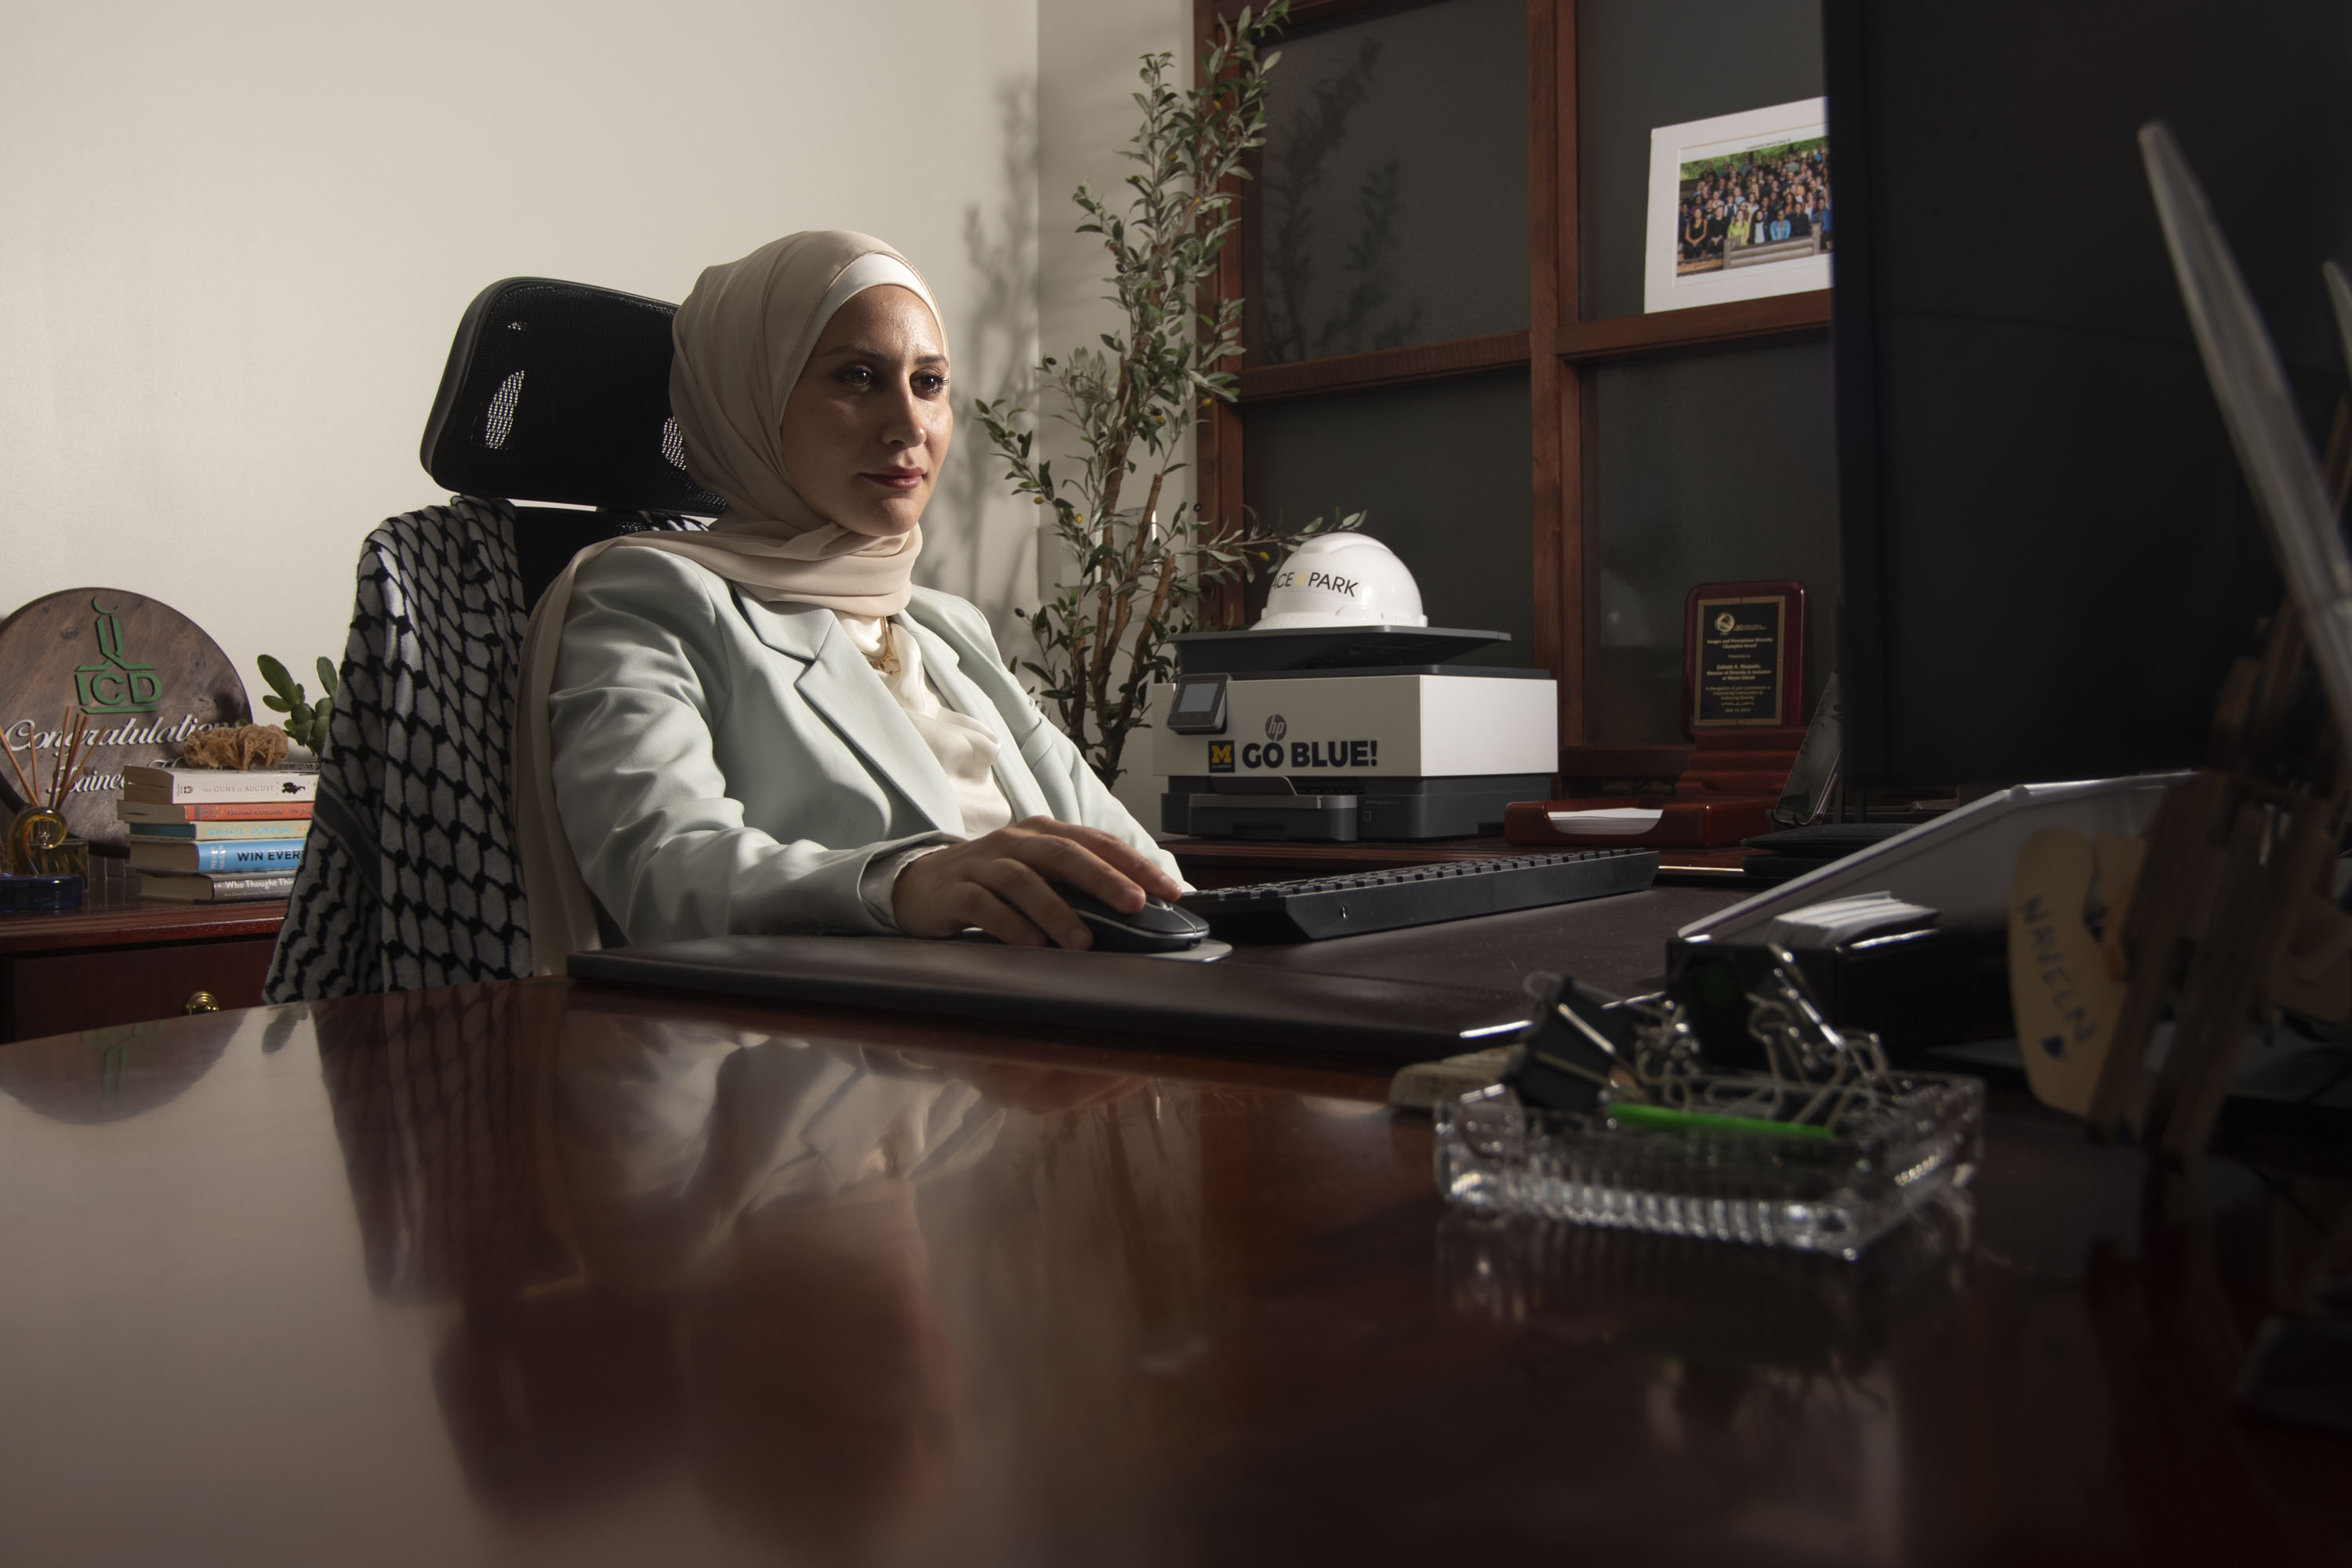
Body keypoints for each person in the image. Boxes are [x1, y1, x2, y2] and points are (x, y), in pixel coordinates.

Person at [512, 230, 1185, 975]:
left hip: (1053, 1016)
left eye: (928, 383)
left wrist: (1216, 920)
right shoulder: (650, 594)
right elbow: (663, 868)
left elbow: (1121, 852)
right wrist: (901, 883)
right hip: (834, 1054)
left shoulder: (945, 624)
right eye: (859, 376)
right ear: (751, 400)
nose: (908, 425)